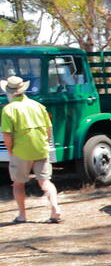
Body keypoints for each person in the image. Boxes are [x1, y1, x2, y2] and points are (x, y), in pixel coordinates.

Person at [2, 74, 63, 224]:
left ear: (9, 92)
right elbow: (49, 128)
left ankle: (22, 215)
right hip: (41, 148)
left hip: (21, 150)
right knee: (45, 181)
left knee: (18, 183)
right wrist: (46, 143)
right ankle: (55, 209)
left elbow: (7, 135)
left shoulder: (8, 109)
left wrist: (10, 151)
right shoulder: (38, 106)